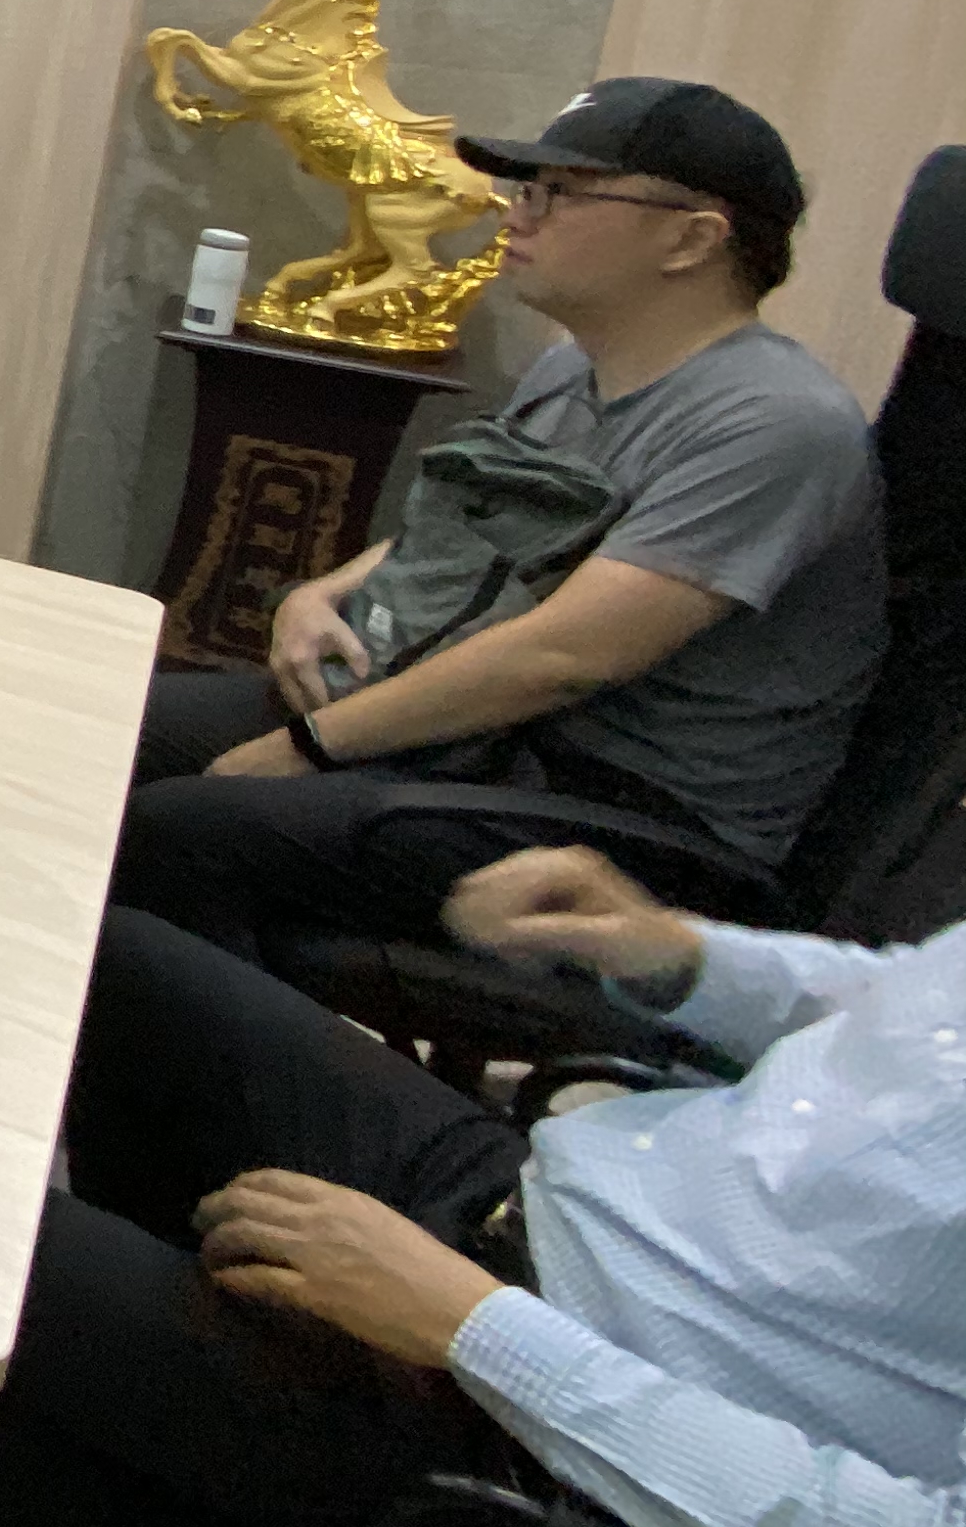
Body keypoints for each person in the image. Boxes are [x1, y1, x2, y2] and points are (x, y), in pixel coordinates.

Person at [0, 853, 966, 1527]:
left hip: (570, 1440)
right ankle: (131, 1520)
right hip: (555, 1204)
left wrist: (479, 1330)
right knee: (113, 972)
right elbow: (906, 1007)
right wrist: (690, 958)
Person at [113, 78, 884, 966]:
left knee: (186, 830)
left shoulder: (776, 425)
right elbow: (469, 523)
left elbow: (564, 658)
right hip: (494, 745)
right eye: (526, 188)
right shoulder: (573, 370)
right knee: (108, 725)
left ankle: (193, 1036)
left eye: (561, 193)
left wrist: (309, 748)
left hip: (627, 817)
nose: (518, 213)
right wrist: (314, 595)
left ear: (692, 238)